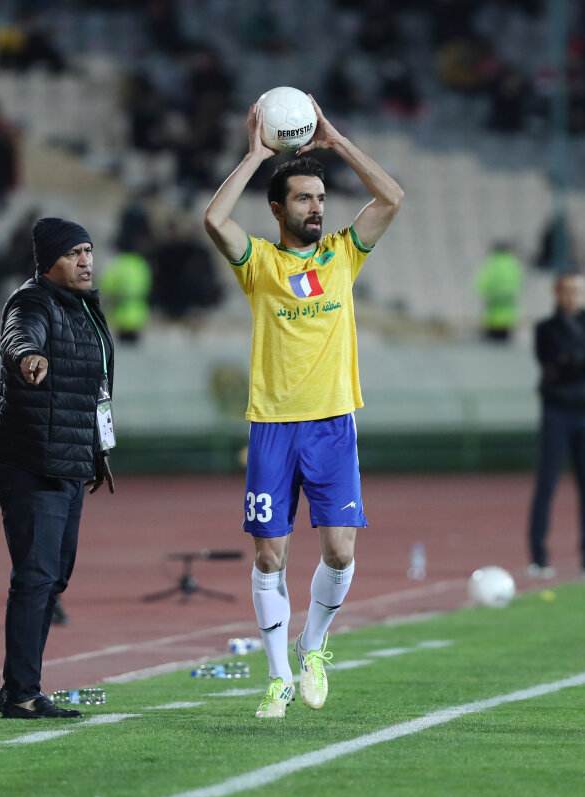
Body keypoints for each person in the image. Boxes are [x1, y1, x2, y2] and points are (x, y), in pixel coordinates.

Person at [203, 94, 403, 719]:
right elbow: (214, 219)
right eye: (303, 199)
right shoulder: (259, 264)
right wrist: (255, 154)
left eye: (320, 198)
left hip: (332, 424)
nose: (317, 207)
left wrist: (337, 142)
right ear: (277, 208)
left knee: (340, 552)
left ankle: (312, 646)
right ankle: (278, 676)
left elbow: (391, 198)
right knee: (270, 555)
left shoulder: (344, 253)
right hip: (272, 427)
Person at [0, 217, 116, 720]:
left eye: (88, 250)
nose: (86, 261)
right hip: (32, 459)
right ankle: (22, 692)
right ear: (48, 263)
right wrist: (28, 356)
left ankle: (19, 688)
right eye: (73, 253)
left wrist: (95, 452)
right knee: (36, 576)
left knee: (54, 576)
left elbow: (92, 393)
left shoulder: (83, 307)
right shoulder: (33, 301)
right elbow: (19, 336)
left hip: (67, 458)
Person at [527, 272, 585, 580]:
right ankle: (539, 559)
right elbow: (553, 364)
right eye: (567, 291)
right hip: (557, 412)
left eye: (578, 291)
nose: (572, 296)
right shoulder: (546, 328)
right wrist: (582, 362)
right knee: (547, 483)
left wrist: (578, 361)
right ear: (557, 293)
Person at [99, 248, 152, 344]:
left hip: (120, 313)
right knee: (134, 346)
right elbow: (148, 284)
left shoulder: (118, 263)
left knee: (122, 346)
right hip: (138, 313)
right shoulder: (141, 263)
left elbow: (107, 285)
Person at [475, 241, 524, 342]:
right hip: (507, 309)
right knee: (504, 338)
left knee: (492, 340)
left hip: (493, 307)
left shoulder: (491, 264)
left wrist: (489, 293)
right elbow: (519, 282)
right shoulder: (512, 264)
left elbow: (481, 283)